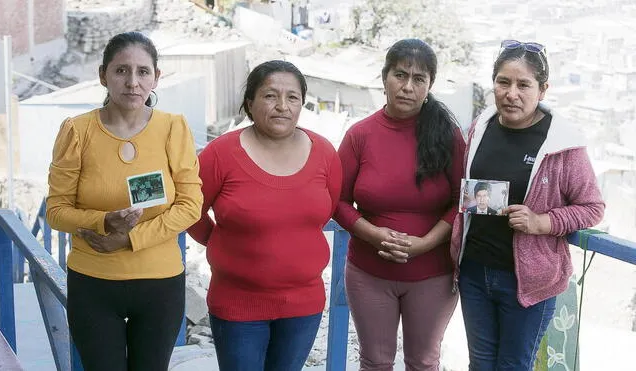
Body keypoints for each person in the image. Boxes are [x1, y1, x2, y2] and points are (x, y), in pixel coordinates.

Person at [46, 31, 203, 371]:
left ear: (156, 77)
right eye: (121, 71)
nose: (132, 82)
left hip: (159, 285)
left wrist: (130, 237)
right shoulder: (77, 131)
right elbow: (56, 211)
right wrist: (102, 221)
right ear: (103, 75)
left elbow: (190, 205)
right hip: (94, 285)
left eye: (143, 72)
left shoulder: (173, 128)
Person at [450, 39, 605, 370]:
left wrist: (542, 222)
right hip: (474, 271)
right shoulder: (480, 127)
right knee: (479, 365)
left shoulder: (562, 143)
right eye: (503, 82)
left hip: (528, 282)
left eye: (524, 84)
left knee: (514, 366)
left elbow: (592, 207)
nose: (511, 93)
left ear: (543, 89)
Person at [187, 60, 342, 371]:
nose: (282, 106)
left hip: (303, 304)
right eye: (270, 95)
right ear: (250, 103)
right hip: (237, 303)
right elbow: (192, 211)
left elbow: (328, 208)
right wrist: (222, 243)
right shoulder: (220, 154)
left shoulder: (325, 153)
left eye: (293, 97)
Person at [333, 39, 466, 371]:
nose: (408, 86)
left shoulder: (447, 135)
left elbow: (464, 199)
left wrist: (424, 244)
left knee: (423, 362)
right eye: (400, 75)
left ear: (429, 85)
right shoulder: (359, 135)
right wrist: (373, 234)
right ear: (384, 77)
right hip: (368, 273)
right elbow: (336, 200)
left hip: (433, 275)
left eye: (418, 79)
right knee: (375, 362)